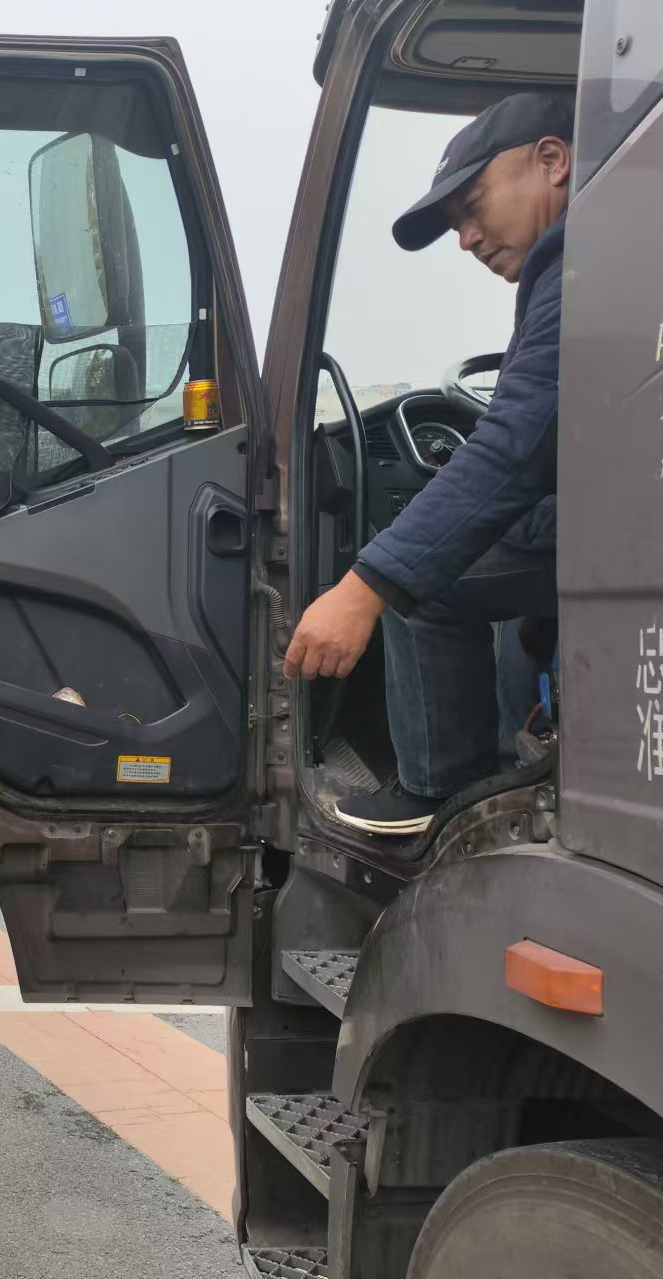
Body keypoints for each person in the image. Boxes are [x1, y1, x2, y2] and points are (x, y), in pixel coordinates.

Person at [285, 93, 572, 835]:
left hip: (627, 522)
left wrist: (367, 584)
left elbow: (513, 447)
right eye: (455, 225)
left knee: (425, 581)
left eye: (473, 205)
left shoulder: (583, 262)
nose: (466, 237)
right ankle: (519, 773)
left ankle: (442, 798)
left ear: (552, 160)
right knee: (502, 577)